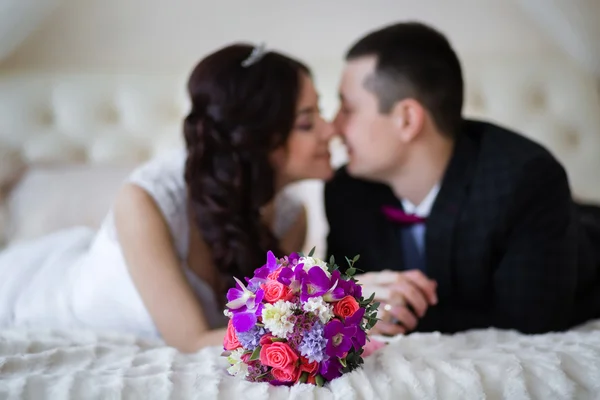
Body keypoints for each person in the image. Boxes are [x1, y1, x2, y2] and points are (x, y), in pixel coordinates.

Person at [0, 43, 334, 352]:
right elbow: (192, 342)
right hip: (30, 296)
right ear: (256, 140)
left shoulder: (292, 217)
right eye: (308, 122)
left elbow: (263, 320)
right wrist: (329, 319)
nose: (329, 130)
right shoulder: (147, 201)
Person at [325, 21, 600, 336]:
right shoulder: (345, 190)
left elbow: (527, 324)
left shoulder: (525, 181)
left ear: (407, 119)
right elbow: (343, 291)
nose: (334, 127)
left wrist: (399, 318)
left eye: (348, 109)